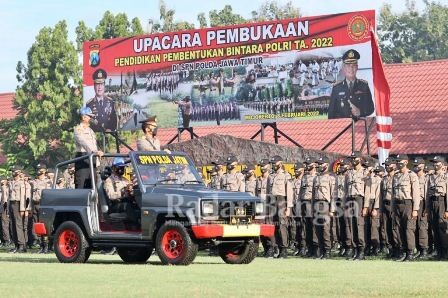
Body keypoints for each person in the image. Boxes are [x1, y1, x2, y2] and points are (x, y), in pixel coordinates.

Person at [328, 49, 374, 119]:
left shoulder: (364, 86)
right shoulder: (336, 88)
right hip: (343, 128)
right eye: (348, 66)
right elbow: (331, 114)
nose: (351, 69)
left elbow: (371, 108)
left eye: (353, 66)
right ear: (344, 68)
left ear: (357, 67)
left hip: (359, 126)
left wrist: (360, 112)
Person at [392, 154, 420, 262]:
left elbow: (416, 193)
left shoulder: (411, 175)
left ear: (406, 162)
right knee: (399, 229)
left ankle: (410, 253)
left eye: (400, 161)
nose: (398, 163)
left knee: (409, 229)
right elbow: (394, 192)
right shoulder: (396, 175)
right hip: (397, 204)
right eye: (397, 161)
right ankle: (403, 251)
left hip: (408, 204)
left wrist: (415, 209)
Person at [267, 155, 293, 258]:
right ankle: (275, 247)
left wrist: (289, 207)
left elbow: (289, 192)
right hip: (271, 201)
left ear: (280, 164)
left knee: (282, 225)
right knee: (272, 226)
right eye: (272, 163)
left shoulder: (286, 176)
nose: (273, 165)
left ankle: (284, 249)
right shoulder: (271, 176)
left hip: (281, 201)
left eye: (275, 163)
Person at [344, 151, 367, 260]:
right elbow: (345, 190)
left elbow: (367, 191)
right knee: (351, 225)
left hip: (359, 199)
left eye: (355, 158)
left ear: (360, 159)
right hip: (349, 199)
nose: (353, 160)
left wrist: (366, 206)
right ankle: (354, 249)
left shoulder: (365, 173)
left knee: (359, 225)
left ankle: (361, 250)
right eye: (352, 158)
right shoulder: (348, 173)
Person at [74, 107, 104, 189]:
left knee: (92, 186)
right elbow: (84, 143)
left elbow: (94, 145)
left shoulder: (91, 130)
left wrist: (97, 158)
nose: (91, 118)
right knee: (81, 186)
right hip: (83, 158)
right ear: (83, 117)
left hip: (92, 158)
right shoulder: (78, 129)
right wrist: (95, 151)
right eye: (89, 116)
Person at [313, 156, 336, 259]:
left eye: (321, 164)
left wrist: (332, 209)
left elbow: (333, 195)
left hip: (325, 204)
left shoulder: (331, 178)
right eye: (318, 164)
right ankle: (321, 250)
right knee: (317, 229)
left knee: (325, 228)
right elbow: (314, 194)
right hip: (316, 204)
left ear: (326, 165)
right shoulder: (316, 178)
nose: (319, 166)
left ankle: (327, 250)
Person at [427, 155, 448, 260]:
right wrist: (427, 209)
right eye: (434, 163)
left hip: (442, 203)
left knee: (442, 229)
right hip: (432, 203)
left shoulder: (446, 177)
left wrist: (447, 210)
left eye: (437, 163)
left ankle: (445, 252)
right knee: (434, 228)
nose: (435, 165)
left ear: (442, 164)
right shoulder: (430, 177)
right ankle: (438, 252)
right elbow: (427, 194)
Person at [31, 163, 51, 253]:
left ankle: (46, 246)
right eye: (37, 169)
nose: (38, 171)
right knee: (37, 226)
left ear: (44, 171)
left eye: (40, 169)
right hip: (35, 204)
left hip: (44, 205)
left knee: (44, 226)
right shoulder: (34, 182)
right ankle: (41, 246)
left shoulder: (48, 182)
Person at [412, 157, 429, 259]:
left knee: (422, 228)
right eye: (414, 165)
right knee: (414, 228)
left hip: (423, 203)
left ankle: (424, 250)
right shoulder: (414, 177)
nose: (415, 167)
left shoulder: (426, 178)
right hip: (414, 204)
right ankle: (418, 249)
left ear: (422, 166)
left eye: (417, 165)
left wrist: (426, 208)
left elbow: (426, 194)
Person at [8, 166, 27, 253]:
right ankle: (16, 245)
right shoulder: (11, 182)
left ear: (18, 172)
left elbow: (23, 197)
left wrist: (23, 209)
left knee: (18, 225)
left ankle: (21, 245)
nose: (12, 173)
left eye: (14, 171)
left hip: (18, 203)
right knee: (13, 225)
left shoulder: (22, 183)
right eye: (12, 171)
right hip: (12, 204)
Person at [0, 176, 11, 247]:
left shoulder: (8, 188)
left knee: (5, 225)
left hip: (5, 207)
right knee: (1, 225)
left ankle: (7, 240)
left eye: (4, 180)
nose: (2, 182)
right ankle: (3, 240)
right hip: (1, 206)